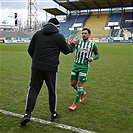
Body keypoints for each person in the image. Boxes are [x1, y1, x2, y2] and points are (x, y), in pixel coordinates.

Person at [20, 18, 80, 126]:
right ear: (56, 26)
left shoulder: (37, 34)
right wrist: (73, 44)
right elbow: (67, 50)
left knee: (33, 90)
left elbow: (30, 49)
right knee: (51, 91)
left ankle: (27, 114)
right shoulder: (58, 36)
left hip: (36, 67)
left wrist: (36, 60)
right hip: (51, 69)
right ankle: (53, 114)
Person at [68, 28, 100, 111]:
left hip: (84, 66)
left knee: (79, 84)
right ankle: (82, 93)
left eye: (85, 33)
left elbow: (97, 55)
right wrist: (69, 44)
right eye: (82, 33)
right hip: (75, 65)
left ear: (89, 35)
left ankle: (74, 104)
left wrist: (92, 58)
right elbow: (71, 51)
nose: (83, 35)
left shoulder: (92, 45)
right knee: (72, 84)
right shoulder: (78, 43)